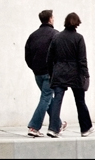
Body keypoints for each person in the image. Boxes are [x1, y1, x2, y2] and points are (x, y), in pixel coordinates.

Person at [46, 12, 94, 138]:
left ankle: (53, 128)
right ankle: (85, 128)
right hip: (75, 73)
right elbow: (82, 60)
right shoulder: (79, 38)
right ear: (77, 23)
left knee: (57, 100)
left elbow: (49, 59)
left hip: (59, 72)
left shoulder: (56, 37)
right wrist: (86, 75)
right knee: (80, 101)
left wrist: (52, 74)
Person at [23, 9, 65, 137]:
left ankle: (58, 124)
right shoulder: (55, 34)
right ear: (50, 19)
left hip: (38, 73)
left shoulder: (33, 35)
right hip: (49, 73)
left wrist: (34, 67)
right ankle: (34, 127)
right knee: (46, 98)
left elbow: (27, 55)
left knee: (46, 98)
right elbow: (60, 55)